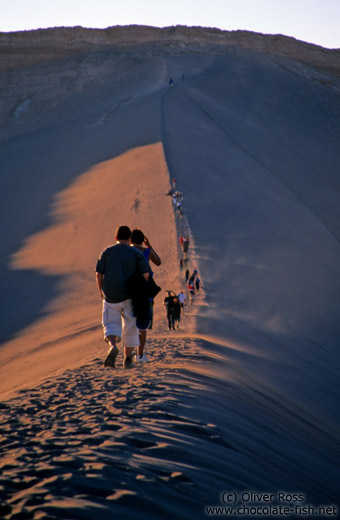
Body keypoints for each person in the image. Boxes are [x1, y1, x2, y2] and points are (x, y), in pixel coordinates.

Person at [96, 225, 151, 368]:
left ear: (116, 238)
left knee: (110, 324)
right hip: (129, 296)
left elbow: (98, 273)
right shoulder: (135, 253)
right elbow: (146, 274)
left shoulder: (106, 252)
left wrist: (101, 291)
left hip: (110, 296)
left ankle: (112, 345)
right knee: (131, 326)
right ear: (129, 239)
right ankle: (127, 358)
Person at [130, 228, 161, 362]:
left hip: (129, 290)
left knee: (129, 322)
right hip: (144, 291)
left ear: (130, 240)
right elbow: (158, 262)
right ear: (143, 239)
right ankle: (140, 354)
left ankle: (127, 355)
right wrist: (148, 245)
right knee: (142, 325)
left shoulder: (127, 251)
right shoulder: (146, 252)